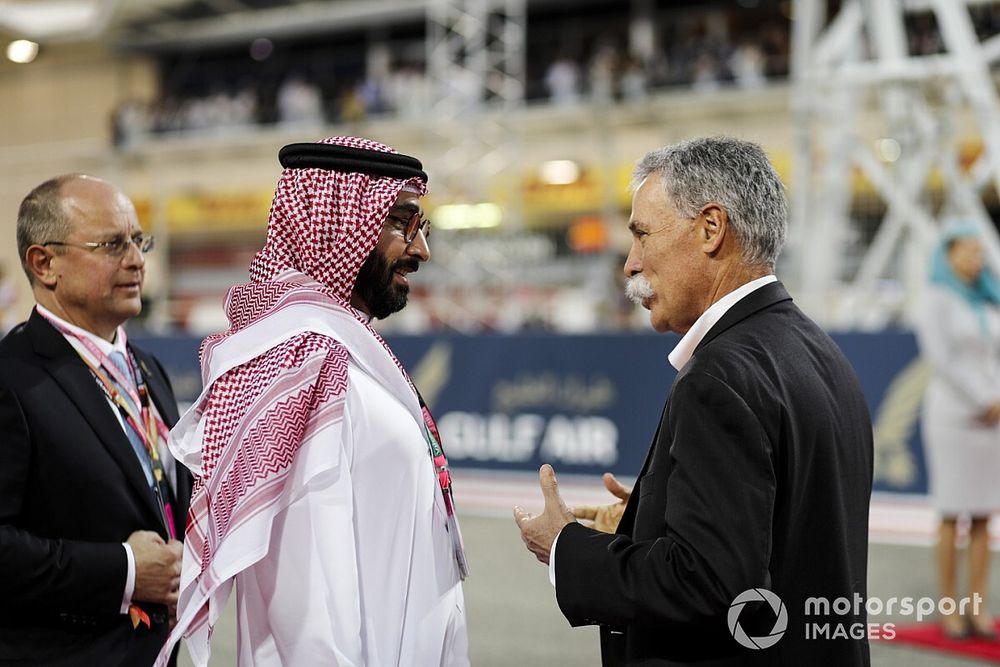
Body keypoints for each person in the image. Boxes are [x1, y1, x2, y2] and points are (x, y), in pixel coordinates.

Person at [513, 137, 874, 665]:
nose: (630, 264)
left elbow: (708, 583)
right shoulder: (818, 351)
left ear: (710, 228)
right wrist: (653, 520)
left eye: (641, 235)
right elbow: (784, 528)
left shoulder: (721, 375)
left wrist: (566, 548)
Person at [157, 136, 469, 667]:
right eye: (401, 222)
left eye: (421, 227)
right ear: (332, 224)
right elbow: (308, 613)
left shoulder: (341, 346)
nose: (421, 251)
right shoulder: (301, 362)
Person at [0, 174, 192, 665]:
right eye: (111, 244)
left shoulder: (148, 369)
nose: (136, 259)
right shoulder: (12, 377)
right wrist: (124, 570)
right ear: (44, 264)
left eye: (137, 240)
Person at [916, 220, 1000, 641]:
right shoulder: (936, 297)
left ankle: (978, 606)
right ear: (947, 254)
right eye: (966, 250)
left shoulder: (989, 298)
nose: (974, 258)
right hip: (954, 416)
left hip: (993, 420)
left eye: (978, 251)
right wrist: (983, 399)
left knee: (986, 514)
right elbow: (942, 359)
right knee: (952, 512)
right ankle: (950, 607)